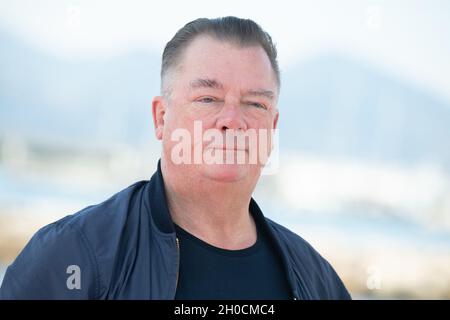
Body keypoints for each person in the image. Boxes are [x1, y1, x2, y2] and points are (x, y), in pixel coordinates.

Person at [0, 16, 351, 300]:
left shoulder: (316, 281)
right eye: (208, 98)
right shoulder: (76, 256)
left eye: (255, 103)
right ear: (161, 118)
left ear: (272, 128)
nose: (232, 119)